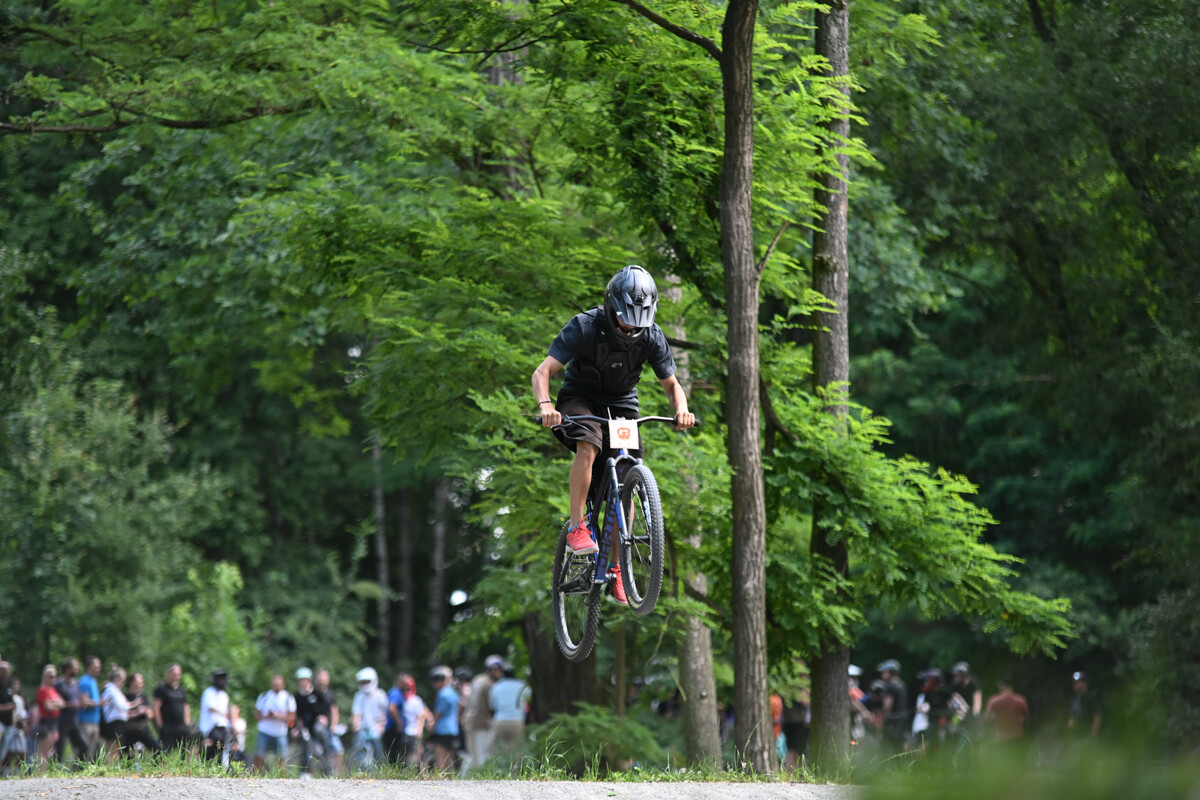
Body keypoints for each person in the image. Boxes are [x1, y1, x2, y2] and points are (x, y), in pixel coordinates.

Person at [532, 265, 695, 605]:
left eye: (639, 321)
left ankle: (619, 569)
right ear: (611, 307)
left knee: (628, 471)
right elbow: (543, 372)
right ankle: (578, 526)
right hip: (580, 399)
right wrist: (546, 404)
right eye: (625, 320)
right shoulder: (585, 327)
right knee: (589, 444)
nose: (632, 328)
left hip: (622, 404)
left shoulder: (651, 335)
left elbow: (672, 385)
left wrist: (682, 408)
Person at [294, 667, 341, 775]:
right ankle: (306, 773)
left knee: (322, 737)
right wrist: (297, 727)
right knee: (306, 749)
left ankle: (329, 771)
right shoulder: (297, 697)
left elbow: (326, 709)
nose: (302, 682)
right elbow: (298, 715)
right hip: (306, 728)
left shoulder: (317, 694)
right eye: (300, 680)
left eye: (304, 679)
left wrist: (324, 718)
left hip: (318, 727)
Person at [462, 656, 502, 769]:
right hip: (481, 723)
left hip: (470, 721)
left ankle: (462, 780)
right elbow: (490, 707)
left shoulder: (478, 679)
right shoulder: (489, 684)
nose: (498, 673)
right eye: (496, 670)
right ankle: (482, 781)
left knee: (472, 755)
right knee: (483, 754)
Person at [487, 661, 530, 764]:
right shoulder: (522, 686)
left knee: (497, 749)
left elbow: (492, 707)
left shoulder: (496, 687)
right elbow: (529, 699)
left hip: (500, 721)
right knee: (516, 750)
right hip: (517, 721)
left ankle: (497, 771)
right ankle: (514, 775)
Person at [253, 674, 295, 772]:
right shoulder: (264, 696)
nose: (276, 686)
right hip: (265, 731)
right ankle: (254, 775)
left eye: (278, 684)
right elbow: (256, 714)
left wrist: (279, 716)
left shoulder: (288, 697)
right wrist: (266, 716)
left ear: (283, 685)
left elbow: (292, 717)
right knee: (259, 755)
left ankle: (282, 778)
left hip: (280, 732)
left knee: (282, 758)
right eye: (274, 684)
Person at [54, 658, 91, 764]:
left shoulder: (75, 683)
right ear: (68, 669)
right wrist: (71, 704)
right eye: (75, 667)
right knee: (60, 748)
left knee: (84, 746)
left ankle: (79, 769)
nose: (78, 670)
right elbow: (57, 702)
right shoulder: (59, 684)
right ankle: (56, 770)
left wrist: (83, 701)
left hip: (73, 721)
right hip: (62, 721)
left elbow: (79, 698)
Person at [350, 667, 388, 769]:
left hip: (375, 728)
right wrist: (355, 724)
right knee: (358, 747)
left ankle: (381, 767)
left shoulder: (380, 695)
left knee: (377, 747)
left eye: (367, 682)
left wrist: (381, 726)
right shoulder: (359, 696)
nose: (365, 684)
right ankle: (359, 769)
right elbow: (356, 713)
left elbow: (385, 713)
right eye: (363, 682)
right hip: (363, 728)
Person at [153, 663, 194, 752]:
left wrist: (187, 721)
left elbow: (186, 705)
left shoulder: (181, 690)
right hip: (167, 727)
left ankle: (186, 765)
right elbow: (156, 707)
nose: (176, 677)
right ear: (168, 674)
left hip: (181, 726)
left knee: (189, 747)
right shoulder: (161, 689)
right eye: (174, 674)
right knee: (163, 751)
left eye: (178, 675)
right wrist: (159, 724)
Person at [983, 676, 1029, 750]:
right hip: (1017, 739)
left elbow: (986, 719)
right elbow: (1027, 721)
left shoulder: (994, 701)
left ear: (1001, 686)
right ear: (1012, 686)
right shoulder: (1021, 701)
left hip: (1001, 739)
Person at [428, 666, 459, 772]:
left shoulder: (442, 694)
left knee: (440, 756)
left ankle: (439, 777)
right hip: (453, 728)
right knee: (449, 756)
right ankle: (451, 777)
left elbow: (438, 713)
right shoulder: (453, 692)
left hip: (443, 728)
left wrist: (432, 726)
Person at [313, 669, 344, 774]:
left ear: (328, 680)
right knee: (314, 751)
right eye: (320, 679)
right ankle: (312, 774)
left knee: (338, 749)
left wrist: (334, 725)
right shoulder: (312, 694)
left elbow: (334, 711)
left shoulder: (330, 695)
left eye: (324, 679)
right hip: (315, 729)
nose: (322, 681)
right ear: (316, 680)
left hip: (329, 729)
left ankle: (338, 775)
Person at [33, 664, 64, 768]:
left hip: (54, 722)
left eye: (55, 676)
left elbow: (63, 703)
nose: (54, 679)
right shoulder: (43, 689)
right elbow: (48, 707)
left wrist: (55, 703)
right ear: (45, 677)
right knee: (43, 751)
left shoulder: (52, 690)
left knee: (49, 750)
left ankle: (43, 771)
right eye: (51, 676)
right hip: (46, 722)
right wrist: (56, 703)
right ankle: (40, 773)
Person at [122, 673, 162, 755]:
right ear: (132, 683)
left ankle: (156, 766)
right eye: (139, 682)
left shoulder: (143, 696)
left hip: (143, 728)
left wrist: (147, 712)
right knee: (128, 755)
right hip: (130, 730)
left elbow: (151, 715)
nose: (141, 685)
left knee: (158, 749)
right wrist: (137, 712)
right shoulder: (125, 697)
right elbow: (123, 714)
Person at [398, 674, 432, 768]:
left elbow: (421, 716)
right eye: (404, 689)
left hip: (414, 732)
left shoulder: (416, 700)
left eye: (407, 689)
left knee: (416, 756)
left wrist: (419, 732)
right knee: (404, 756)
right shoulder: (402, 700)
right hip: (405, 732)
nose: (405, 691)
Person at [199, 668, 232, 763]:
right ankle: (205, 762)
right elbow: (211, 707)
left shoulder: (224, 695)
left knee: (223, 747)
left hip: (222, 726)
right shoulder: (209, 692)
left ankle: (219, 765)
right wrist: (223, 714)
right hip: (210, 727)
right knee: (216, 742)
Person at [99, 666, 132, 760]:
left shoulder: (115, 690)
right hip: (113, 723)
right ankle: (109, 768)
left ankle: (112, 767)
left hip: (118, 723)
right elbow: (122, 705)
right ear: (118, 679)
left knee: (116, 748)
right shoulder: (111, 690)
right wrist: (131, 705)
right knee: (113, 748)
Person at [876, 659, 909, 755]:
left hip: (891, 724)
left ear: (891, 672)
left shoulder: (890, 687)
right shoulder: (902, 685)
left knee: (886, 751)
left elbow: (887, 707)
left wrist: (882, 721)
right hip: (902, 722)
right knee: (899, 750)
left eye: (884, 671)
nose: (882, 674)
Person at [76, 657, 102, 760]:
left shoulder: (93, 681)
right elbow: (84, 701)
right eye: (96, 667)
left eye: (99, 667)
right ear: (89, 667)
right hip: (85, 722)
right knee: (82, 751)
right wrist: (99, 703)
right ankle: (75, 772)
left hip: (94, 721)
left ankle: (85, 772)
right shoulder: (84, 682)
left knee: (91, 752)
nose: (98, 669)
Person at [1067, 671, 1103, 739]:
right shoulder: (1074, 700)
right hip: (1077, 737)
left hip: (1088, 736)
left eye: (1077, 683)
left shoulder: (1093, 698)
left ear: (1085, 684)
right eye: (1074, 683)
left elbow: (1097, 718)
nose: (1075, 685)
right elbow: (1071, 717)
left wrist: (1092, 736)